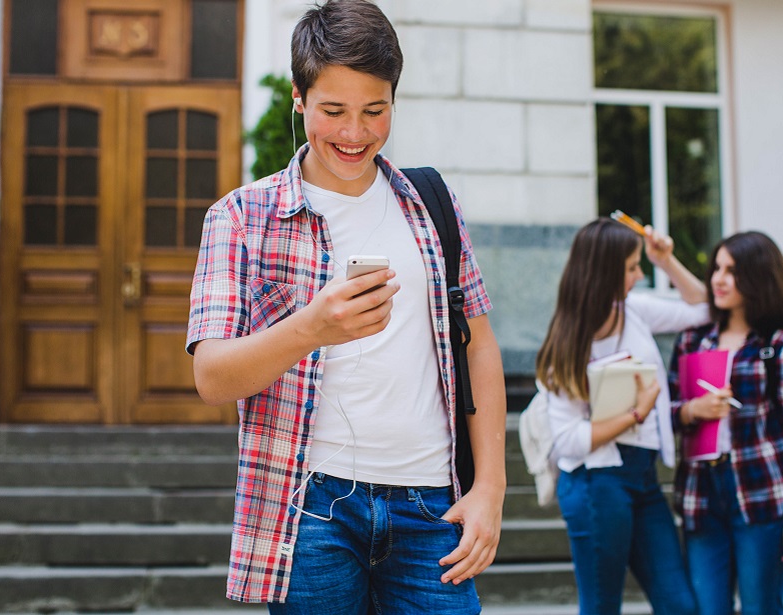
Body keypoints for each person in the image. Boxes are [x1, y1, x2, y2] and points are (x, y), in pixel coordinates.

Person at [185, 1, 506, 613]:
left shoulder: (432, 203)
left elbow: (480, 345)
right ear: (299, 98)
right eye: (333, 111)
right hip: (310, 510)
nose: (355, 133)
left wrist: (491, 483)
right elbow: (212, 376)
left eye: (375, 110)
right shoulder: (240, 218)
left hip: (433, 505)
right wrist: (310, 328)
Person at [535, 217, 707, 615]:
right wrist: (635, 412)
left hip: (643, 478)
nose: (639, 274)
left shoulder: (635, 311)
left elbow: (703, 310)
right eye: (632, 268)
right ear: (607, 272)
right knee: (601, 607)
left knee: (680, 605)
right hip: (597, 483)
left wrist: (667, 261)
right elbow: (568, 441)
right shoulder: (569, 339)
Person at [669, 231, 783, 615]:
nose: (718, 279)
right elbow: (665, 413)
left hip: (762, 493)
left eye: (731, 271)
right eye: (716, 268)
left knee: (760, 608)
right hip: (701, 495)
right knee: (707, 608)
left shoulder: (780, 346)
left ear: (758, 278)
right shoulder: (692, 341)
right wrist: (692, 410)